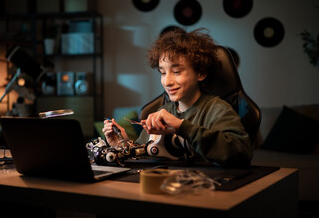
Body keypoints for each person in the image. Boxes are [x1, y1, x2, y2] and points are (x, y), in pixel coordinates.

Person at [102, 28, 252, 167]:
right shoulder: (162, 111)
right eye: (163, 72)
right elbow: (142, 157)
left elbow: (241, 153)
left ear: (200, 73)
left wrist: (181, 127)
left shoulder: (217, 110)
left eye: (177, 71)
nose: (167, 82)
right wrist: (121, 144)